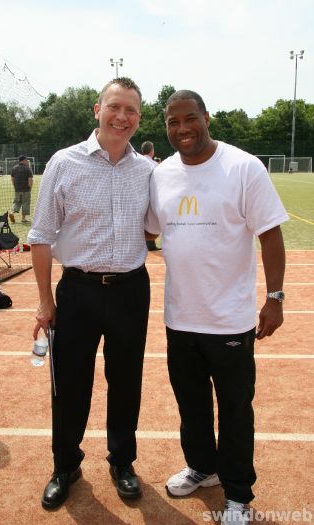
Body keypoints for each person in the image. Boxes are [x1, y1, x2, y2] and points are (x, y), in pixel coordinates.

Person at [145, 90, 288, 525]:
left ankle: (239, 493)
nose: (183, 129)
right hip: (180, 317)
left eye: (190, 118)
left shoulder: (244, 167)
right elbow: (149, 232)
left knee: (235, 409)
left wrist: (275, 298)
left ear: (207, 117)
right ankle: (203, 468)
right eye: (173, 122)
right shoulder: (161, 174)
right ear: (166, 125)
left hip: (230, 319)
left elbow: (270, 235)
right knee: (191, 405)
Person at [27, 77, 152, 510]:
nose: (122, 117)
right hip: (77, 291)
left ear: (139, 117)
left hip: (131, 290)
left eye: (131, 110)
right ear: (97, 109)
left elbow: (156, 227)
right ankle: (65, 465)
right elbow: (41, 236)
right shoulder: (64, 162)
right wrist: (46, 301)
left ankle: (122, 462)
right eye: (115, 107)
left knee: (126, 381)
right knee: (70, 385)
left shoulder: (148, 170)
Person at [141, 142, 161, 251]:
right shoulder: (154, 165)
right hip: (150, 196)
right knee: (150, 221)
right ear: (151, 151)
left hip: (138, 196)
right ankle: (150, 244)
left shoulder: (136, 161)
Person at [9, 155, 33, 224]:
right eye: (26, 160)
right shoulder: (27, 169)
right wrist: (30, 188)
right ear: (23, 161)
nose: (27, 162)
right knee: (25, 203)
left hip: (17, 189)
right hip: (26, 189)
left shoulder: (14, 168)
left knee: (17, 202)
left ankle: (12, 213)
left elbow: (12, 178)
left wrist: (15, 186)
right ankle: (23, 219)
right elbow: (30, 180)